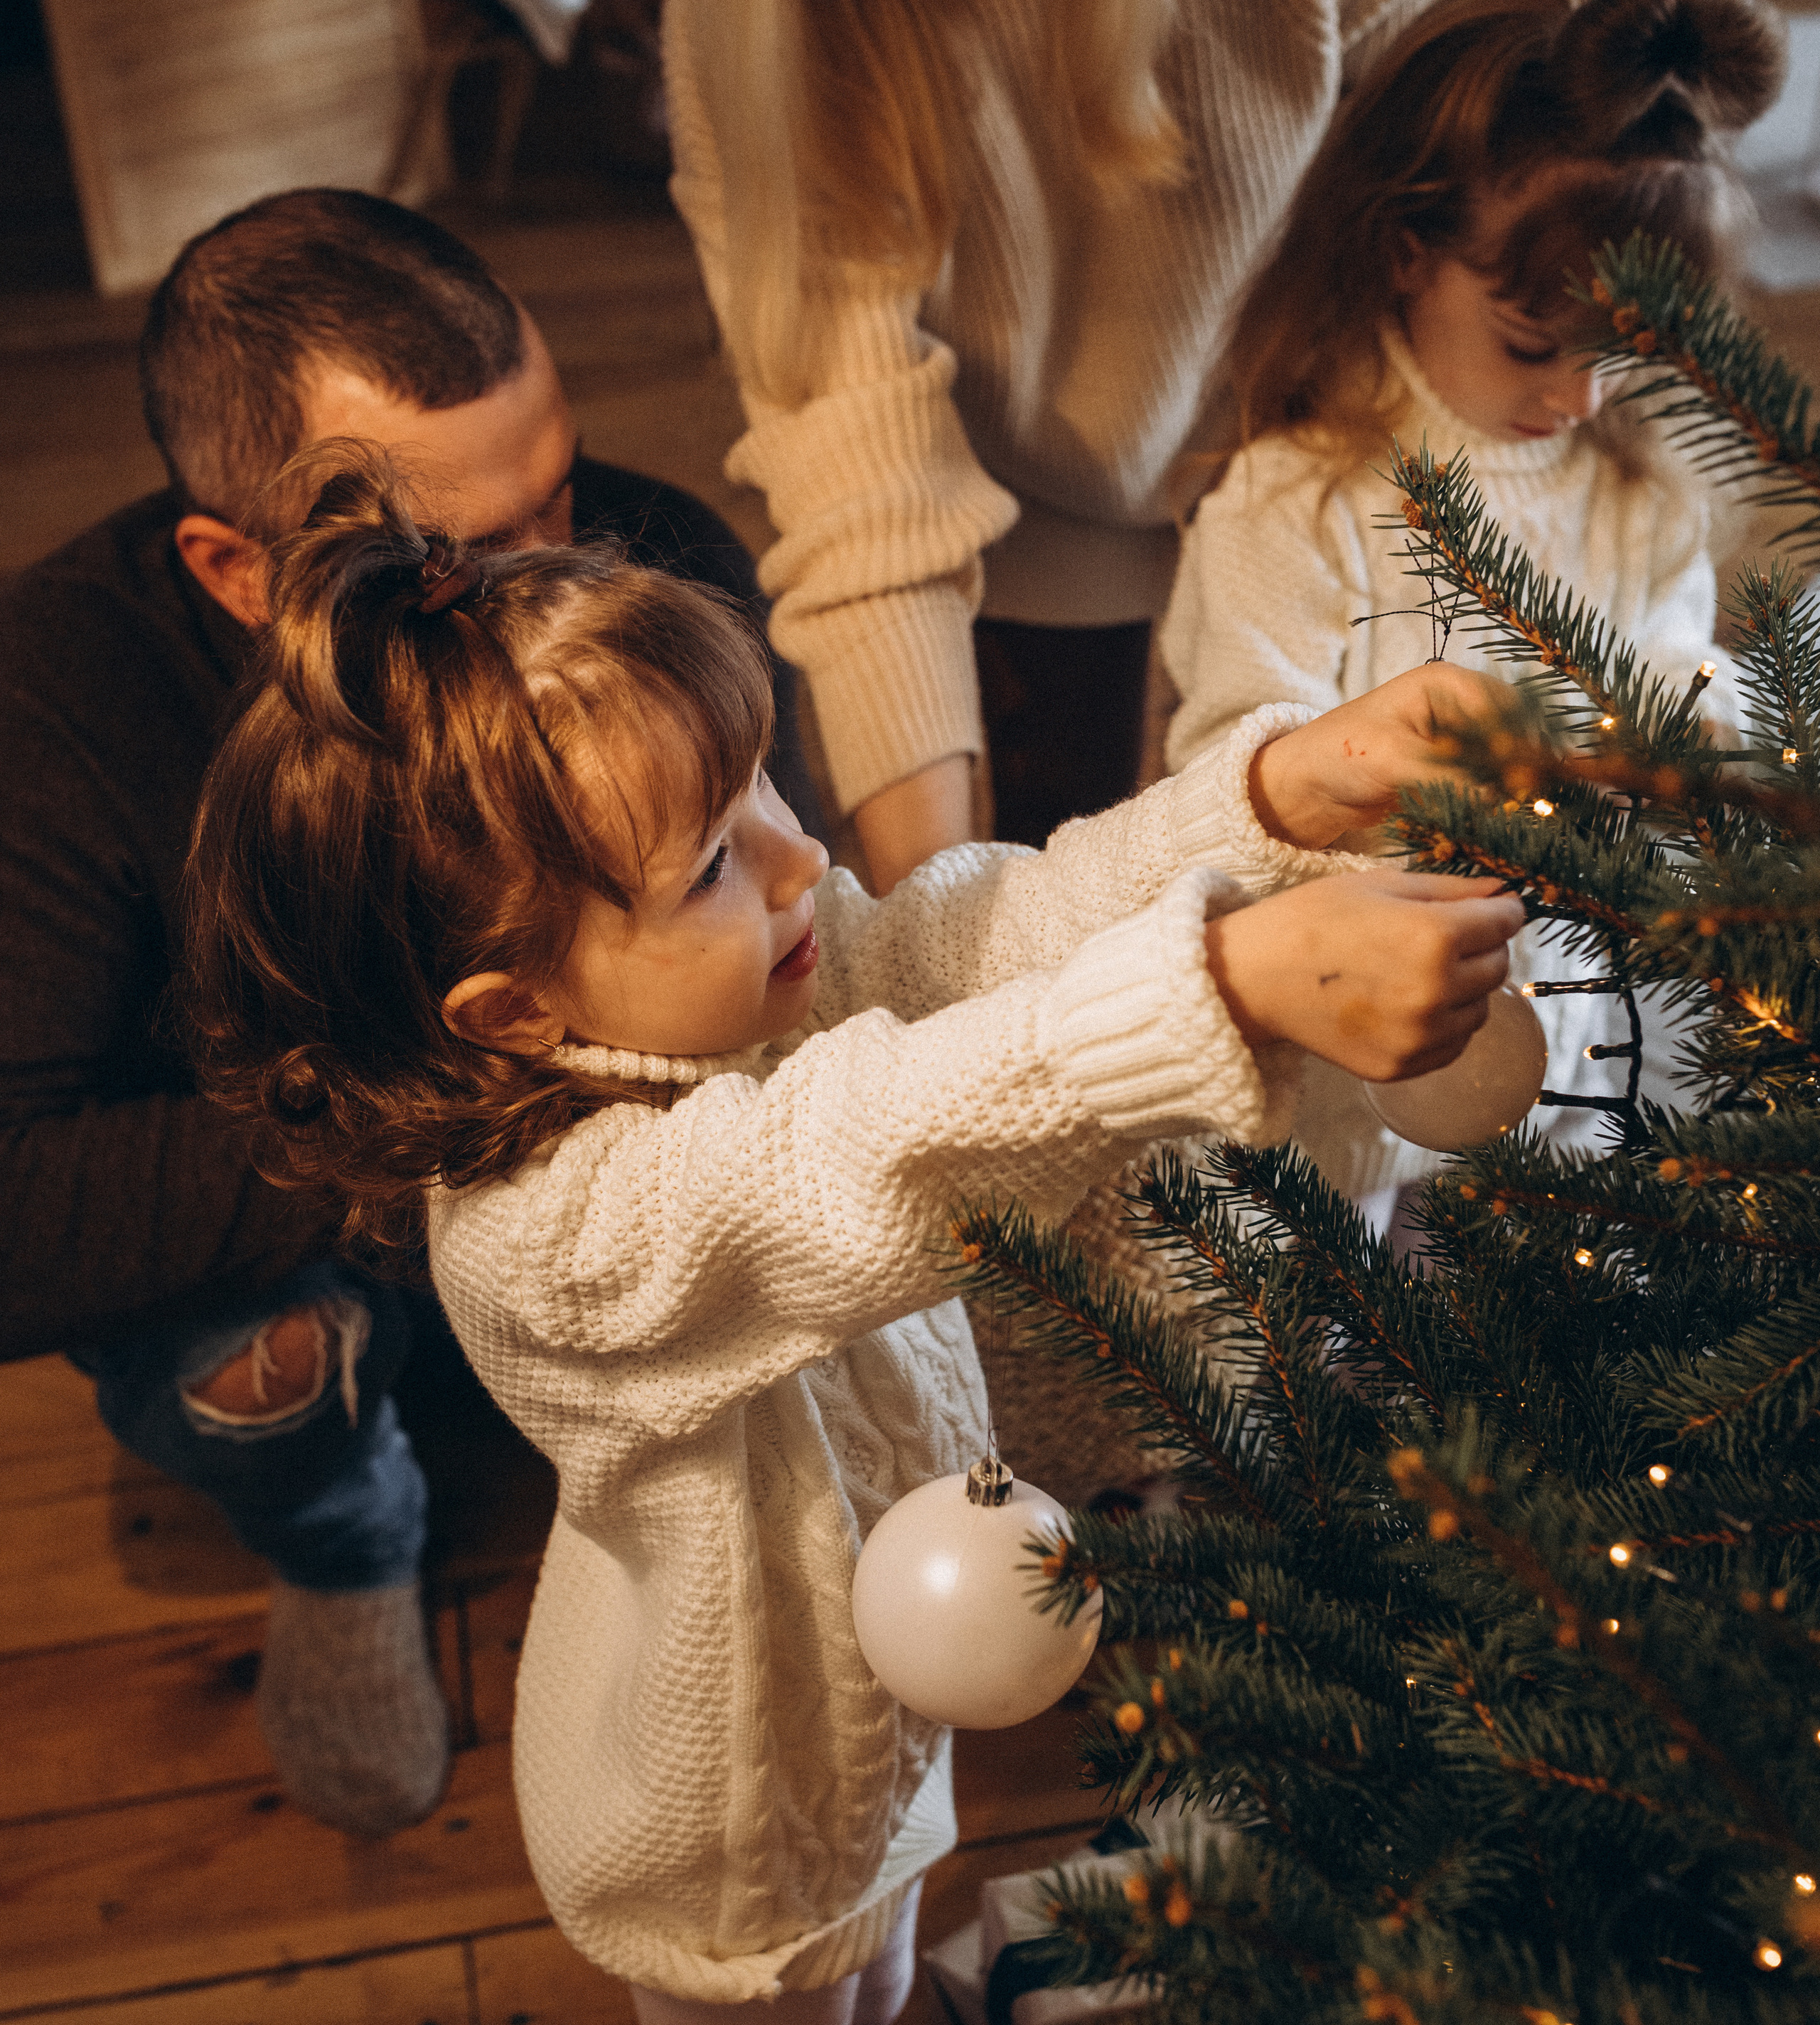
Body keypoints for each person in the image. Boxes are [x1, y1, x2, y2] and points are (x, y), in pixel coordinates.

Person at [182, 443, 1523, 2025]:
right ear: (517, 1012)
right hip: (730, 1820)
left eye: (766, 783)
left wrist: (1284, 793)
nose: (803, 854)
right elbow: (862, 1153)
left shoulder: (745, 993)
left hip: (858, 1743)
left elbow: (980, 935)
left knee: (872, 1997)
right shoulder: (563, 1233)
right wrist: (1222, 990)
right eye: (713, 854)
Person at [0, 186, 818, 1839]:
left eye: (559, 489)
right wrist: (425, 1098)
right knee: (258, 1365)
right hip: (293, 1224)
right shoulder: (55, 705)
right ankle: (345, 1540)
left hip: (607, 1135)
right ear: (238, 570)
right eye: (460, 559)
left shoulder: (650, 566)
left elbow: (787, 907)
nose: (564, 583)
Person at [1158, 0, 1781, 1223]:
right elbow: (1233, 775)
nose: (1579, 394)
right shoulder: (1300, 501)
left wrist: (1697, 730)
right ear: (1405, 251)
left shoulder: (1636, 482)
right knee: (1301, 1241)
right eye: (1532, 342)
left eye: (1625, 351)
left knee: (1618, 1198)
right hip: (1361, 988)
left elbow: (1669, 650)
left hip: (1582, 970)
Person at [660, 0, 1442, 894]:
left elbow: (1476, 127)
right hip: (1017, 490)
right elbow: (861, 483)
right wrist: (938, 926)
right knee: (1062, 821)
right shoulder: (764, 37)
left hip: (1320, 437)